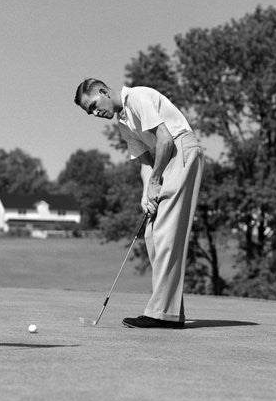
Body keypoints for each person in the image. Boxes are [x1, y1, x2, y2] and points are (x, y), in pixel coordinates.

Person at [74, 78, 204, 329]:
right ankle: (170, 312)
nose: (94, 112)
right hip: (165, 160)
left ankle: (161, 314)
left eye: (92, 105)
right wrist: (147, 193)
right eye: (89, 111)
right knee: (153, 235)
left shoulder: (137, 97)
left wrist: (155, 179)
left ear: (102, 91)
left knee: (166, 233)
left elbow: (165, 139)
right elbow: (145, 162)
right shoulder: (123, 124)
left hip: (181, 150)